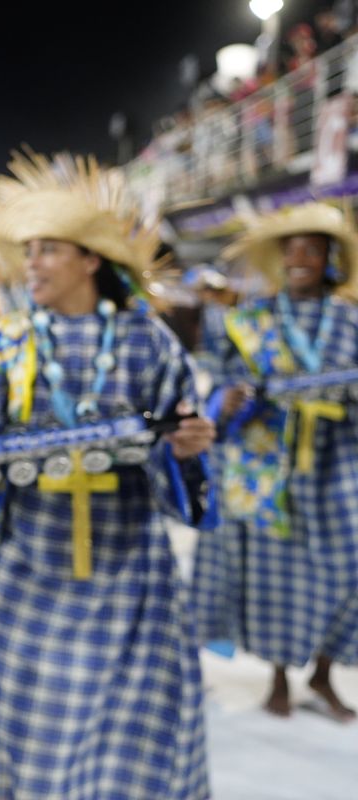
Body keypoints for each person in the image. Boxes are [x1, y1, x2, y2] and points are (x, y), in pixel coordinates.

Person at [0, 151, 216, 799]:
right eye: (30, 251)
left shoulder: (147, 342)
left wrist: (187, 447)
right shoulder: (5, 344)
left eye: (50, 250)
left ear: (90, 260)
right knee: (32, 738)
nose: (33, 265)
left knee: (129, 735)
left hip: (131, 570)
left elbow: (178, 439)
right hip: (28, 571)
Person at [194, 201, 358, 721]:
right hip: (268, 468)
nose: (301, 258)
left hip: (339, 464)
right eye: (292, 251)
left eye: (312, 249)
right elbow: (219, 385)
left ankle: (325, 674)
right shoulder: (250, 321)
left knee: (347, 570)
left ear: (330, 257)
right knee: (274, 574)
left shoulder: (351, 318)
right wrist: (229, 400)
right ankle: (281, 678)